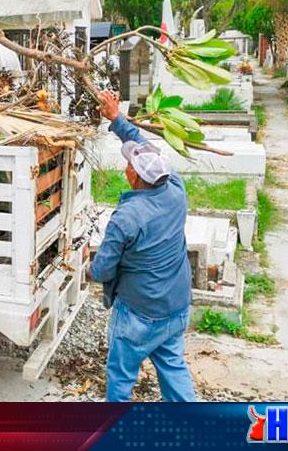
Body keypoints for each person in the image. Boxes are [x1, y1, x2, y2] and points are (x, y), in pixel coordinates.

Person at [90, 90, 196, 402]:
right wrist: (115, 118)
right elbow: (146, 147)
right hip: (174, 306)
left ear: (133, 176)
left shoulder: (127, 217)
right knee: (173, 367)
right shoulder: (176, 189)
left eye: (129, 163)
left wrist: (89, 262)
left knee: (121, 376)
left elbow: (102, 269)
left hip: (139, 312)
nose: (127, 164)